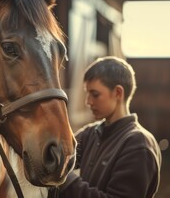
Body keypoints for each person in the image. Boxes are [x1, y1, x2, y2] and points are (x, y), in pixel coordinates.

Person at [59, 56, 162, 198]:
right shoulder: (90, 134)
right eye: (87, 93)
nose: (88, 101)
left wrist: (65, 181)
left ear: (118, 93)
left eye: (95, 94)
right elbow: (58, 158)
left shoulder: (138, 145)